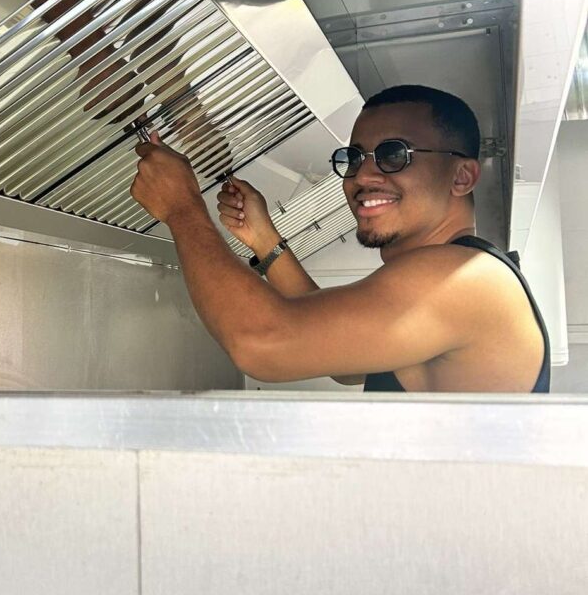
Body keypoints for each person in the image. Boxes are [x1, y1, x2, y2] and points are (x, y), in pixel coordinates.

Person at [130, 84, 550, 392]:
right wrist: (265, 241)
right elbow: (349, 369)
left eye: (394, 154)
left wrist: (182, 208)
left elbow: (262, 343)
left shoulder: (466, 279)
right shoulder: (461, 279)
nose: (362, 175)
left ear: (461, 177)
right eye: (353, 157)